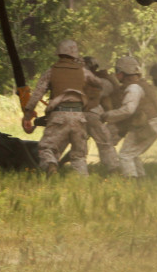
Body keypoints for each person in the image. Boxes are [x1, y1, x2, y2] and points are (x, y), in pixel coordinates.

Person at [22, 39, 103, 175]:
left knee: (46, 149)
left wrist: (27, 115)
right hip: (79, 117)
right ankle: (83, 184)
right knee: (79, 155)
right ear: (75, 55)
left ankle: (51, 165)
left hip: (58, 116)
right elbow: (99, 84)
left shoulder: (51, 72)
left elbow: (37, 94)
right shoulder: (83, 72)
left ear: (59, 54)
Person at [104, 56, 157, 178]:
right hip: (152, 125)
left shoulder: (133, 88)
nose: (116, 75)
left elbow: (128, 110)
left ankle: (131, 181)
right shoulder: (140, 85)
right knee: (132, 154)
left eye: (117, 72)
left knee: (125, 155)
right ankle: (141, 179)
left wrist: (107, 116)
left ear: (123, 73)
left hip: (145, 125)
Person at [81, 55, 122, 174]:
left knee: (81, 146)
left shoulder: (101, 81)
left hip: (84, 115)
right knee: (104, 143)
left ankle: (80, 173)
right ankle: (113, 169)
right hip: (92, 115)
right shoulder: (102, 81)